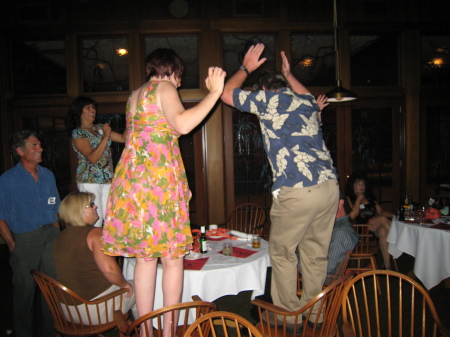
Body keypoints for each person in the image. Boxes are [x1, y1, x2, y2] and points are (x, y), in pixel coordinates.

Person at [101, 48, 226, 336]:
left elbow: (139, 138)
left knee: (146, 259)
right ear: (172, 70)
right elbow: (182, 124)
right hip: (157, 184)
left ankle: (146, 332)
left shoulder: (135, 95)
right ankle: (168, 333)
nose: (179, 84)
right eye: (180, 77)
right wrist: (214, 93)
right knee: (172, 259)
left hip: (133, 183)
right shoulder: (165, 86)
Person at [221, 43, 339, 333]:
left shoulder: (270, 100)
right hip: (329, 188)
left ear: (264, 88)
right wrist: (290, 74)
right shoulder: (307, 103)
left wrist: (245, 68)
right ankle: (317, 312)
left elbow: (225, 94)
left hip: (297, 190)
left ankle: (290, 317)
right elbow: (307, 95)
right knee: (315, 252)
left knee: (283, 253)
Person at [0, 130, 61, 337]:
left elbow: (55, 206)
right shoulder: (7, 180)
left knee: (50, 288)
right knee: (25, 292)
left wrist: (56, 229)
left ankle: (50, 331)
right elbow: (0, 215)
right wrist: (11, 243)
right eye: (34, 146)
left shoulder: (47, 175)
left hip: (50, 235)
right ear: (20, 151)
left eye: (39, 145)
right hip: (25, 238)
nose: (40, 148)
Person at [53, 192, 137, 324]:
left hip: (65, 310)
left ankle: (129, 325)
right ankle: (144, 329)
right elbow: (110, 270)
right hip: (92, 310)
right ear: (79, 211)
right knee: (141, 286)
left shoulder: (61, 237)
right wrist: (124, 284)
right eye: (91, 205)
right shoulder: (95, 234)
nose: (96, 207)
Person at [66, 96, 126, 227]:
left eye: (93, 107)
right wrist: (105, 137)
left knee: (110, 218)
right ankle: (93, 245)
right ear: (79, 111)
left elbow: (123, 138)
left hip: (107, 179)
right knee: (95, 221)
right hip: (90, 181)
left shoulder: (99, 128)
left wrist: (132, 119)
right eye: (87, 107)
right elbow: (92, 157)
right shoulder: (78, 133)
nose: (92, 110)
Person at [345, 171, 394, 269]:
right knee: (383, 219)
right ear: (353, 186)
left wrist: (394, 216)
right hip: (361, 228)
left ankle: (387, 267)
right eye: (358, 184)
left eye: (363, 183)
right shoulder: (350, 198)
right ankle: (396, 240)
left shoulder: (370, 197)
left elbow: (380, 211)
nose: (361, 186)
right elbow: (353, 216)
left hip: (374, 226)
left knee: (383, 231)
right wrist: (359, 199)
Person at [326, 194, 359, 280]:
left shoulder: (340, 231)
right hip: (316, 265)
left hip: (323, 278)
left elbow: (329, 267)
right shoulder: (339, 225)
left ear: (340, 203)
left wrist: (296, 262)